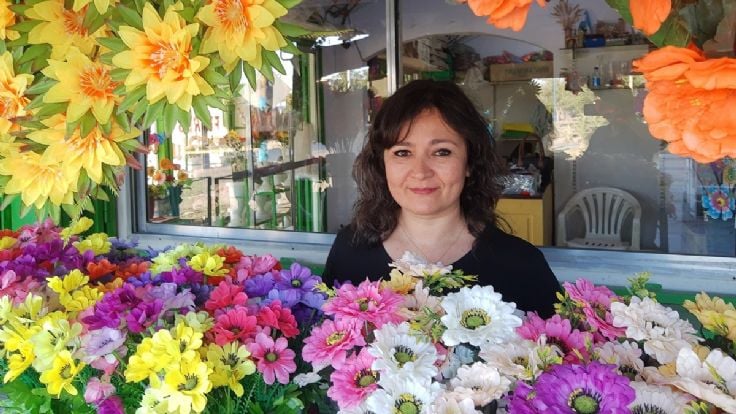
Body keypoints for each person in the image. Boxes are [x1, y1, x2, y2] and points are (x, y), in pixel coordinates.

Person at [322, 79, 560, 318]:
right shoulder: (349, 252)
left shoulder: (521, 265)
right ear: (382, 164)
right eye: (403, 153)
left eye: (441, 152)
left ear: (469, 162)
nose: (421, 171)